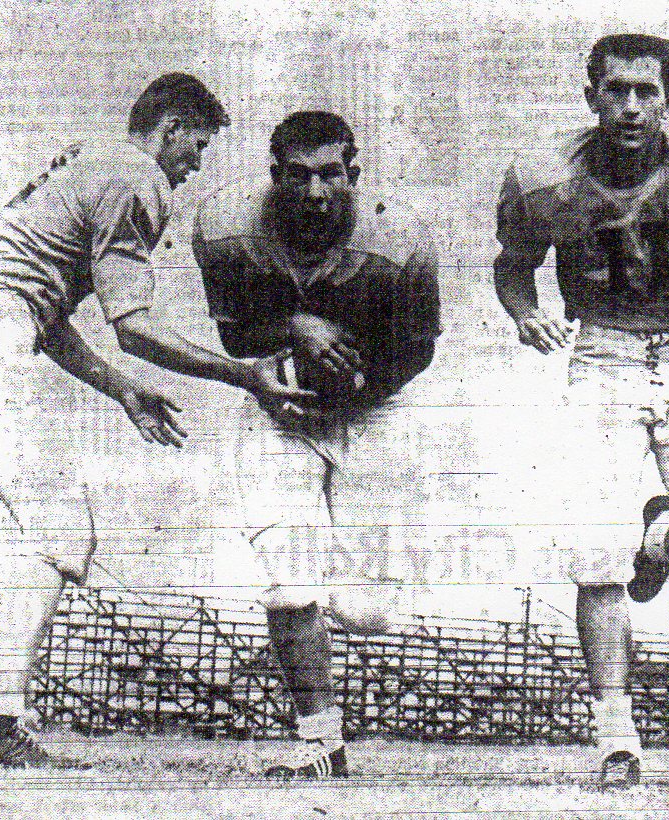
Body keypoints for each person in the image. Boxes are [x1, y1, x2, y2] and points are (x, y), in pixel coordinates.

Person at [0, 73, 312, 767]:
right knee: (57, 527)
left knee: (49, 524)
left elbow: (41, 312)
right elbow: (134, 327)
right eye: (197, 145)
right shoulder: (139, 177)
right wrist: (243, 373)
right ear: (171, 127)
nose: (196, 163)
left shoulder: (93, 161)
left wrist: (123, 392)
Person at [492, 34, 669, 787]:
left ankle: (665, 530)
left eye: (646, 91)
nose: (631, 105)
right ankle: (617, 734)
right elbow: (512, 267)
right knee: (592, 552)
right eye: (616, 90)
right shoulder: (544, 177)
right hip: (602, 350)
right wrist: (523, 313)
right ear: (591, 96)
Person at [192, 111, 441, 780]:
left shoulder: (401, 237)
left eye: (330, 175)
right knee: (288, 579)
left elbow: (418, 349)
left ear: (352, 175)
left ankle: (344, 606)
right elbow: (236, 339)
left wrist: (357, 382)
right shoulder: (225, 229)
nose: (314, 192)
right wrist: (295, 325)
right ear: (274, 176)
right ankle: (319, 742)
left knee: (366, 610)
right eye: (297, 176)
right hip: (279, 405)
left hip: (374, 407)